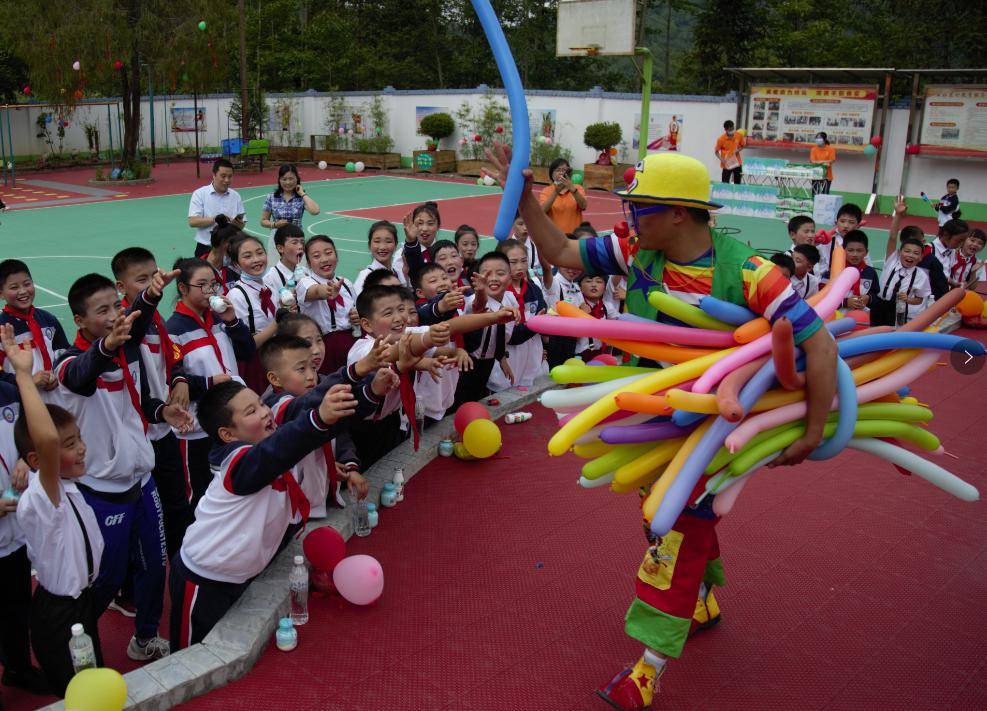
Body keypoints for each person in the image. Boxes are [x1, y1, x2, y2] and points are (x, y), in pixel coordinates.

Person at [485, 145, 837, 710]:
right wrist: (525, 197)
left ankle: (648, 666)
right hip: (652, 415)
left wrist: (815, 431)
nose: (628, 219)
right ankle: (702, 600)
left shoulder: (751, 273)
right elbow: (560, 248)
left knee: (672, 528)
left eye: (640, 208)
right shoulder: (635, 252)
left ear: (678, 212)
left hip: (713, 426)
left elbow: (816, 343)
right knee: (675, 511)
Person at [168, 376, 384, 649]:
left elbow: (319, 431)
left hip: (241, 573)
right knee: (191, 654)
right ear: (227, 434)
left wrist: (372, 392)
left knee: (230, 646)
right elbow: (277, 451)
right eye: (251, 412)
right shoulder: (236, 463)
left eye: (261, 404)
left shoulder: (269, 441)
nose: (265, 412)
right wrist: (317, 418)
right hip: (203, 577)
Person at [55, 270, 187, 663]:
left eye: (116, 305)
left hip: (141, 482)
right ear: (78, 321)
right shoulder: (68, 364)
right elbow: (83, 373)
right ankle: (71, 643)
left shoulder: (131, 352)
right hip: (102, 492)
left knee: (154, 568)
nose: (114, 316)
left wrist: (163, 410)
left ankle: (145, 638)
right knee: (107, 578)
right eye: (102, 311)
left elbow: (139, 403)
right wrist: (106, 346)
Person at [11, 326, 103, 697]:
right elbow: (46, 440)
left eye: (78, 439)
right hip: (61, 614)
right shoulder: (42, 495)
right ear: (37, 460)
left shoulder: (65, 486)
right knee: (76, 690)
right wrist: (23, 375)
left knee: (91, 680)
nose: (80, 449)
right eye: (69, 445)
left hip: (82, 604)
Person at [111, 248, 194, 561]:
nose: (149, 284)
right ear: (121, 286)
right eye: (140, 280)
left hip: (163, 428)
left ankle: (181, 562)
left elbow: (171, 349)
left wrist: (180, 379)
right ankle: (132, 580)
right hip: (139, 430)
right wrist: (151, 296)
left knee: (176, 501)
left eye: (152, 277)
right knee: (142, 509)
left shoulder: (157, 319)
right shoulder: (121, 322)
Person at [166, 258, 256, 507]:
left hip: (228, 422)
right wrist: (209, 382)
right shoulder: (172, 330)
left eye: (214, 285)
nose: (210, 291)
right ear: (183, 289)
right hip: (195, 430)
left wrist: (232, 320)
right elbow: (172, 380)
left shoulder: (218, 320)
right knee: (201, 496)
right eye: (202, 285)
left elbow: (247, 353)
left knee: (230, 489)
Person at [260, 334, 381, 518]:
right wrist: (355, 370)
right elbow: (303, 410)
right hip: (295, 511)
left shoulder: (315, 397)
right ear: (275, 379)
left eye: (313, 368)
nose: (311, 376)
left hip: (323, 497)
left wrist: (374, 390)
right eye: (301, 369)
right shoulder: (276, 407)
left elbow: (342, 426)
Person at [0, 330, 50, 697]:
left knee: (17, 605)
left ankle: (17, 667)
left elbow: (34, 427)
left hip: (13, 530)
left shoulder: (8, 388)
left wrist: (23, 455)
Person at [0, 259, 70, 397]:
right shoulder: (3, 329)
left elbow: (64, 353)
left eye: (27, 284)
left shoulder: (48, 319)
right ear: (1, 293)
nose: (23, 291)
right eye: (14, 287)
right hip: (20, 401)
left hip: (56, 396)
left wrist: (57, 374)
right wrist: (27, 381)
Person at [226, 236, 284, 393]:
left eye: (260, 253)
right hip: (256, 364)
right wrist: (277, 324)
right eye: (247, 256)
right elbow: (246, 345)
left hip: (277, 356)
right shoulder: (236, 295)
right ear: (236, 264)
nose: (256, 260)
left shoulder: (269, 285)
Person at [489, 239, 547, 390]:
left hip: (532, 353)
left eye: (523, 261)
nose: (520, 266)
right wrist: (535, 324)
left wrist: (539, 324)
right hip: (509, 355)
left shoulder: (534, 290)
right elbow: (512, 336)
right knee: (505, 393)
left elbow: (544, 317)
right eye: (513, 262)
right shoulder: (497, 293)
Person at [296, 235, 358, 374]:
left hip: (350, 343)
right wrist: (328, 291)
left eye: (329, 253)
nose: (324, 259)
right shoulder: (305, 283)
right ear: (309, 262)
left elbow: (356, 310)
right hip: (323, 347)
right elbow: (316, 291)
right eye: (316, 256)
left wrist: (357, 318)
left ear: (336, 255)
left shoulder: (346, 283)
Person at [259, 163, 320, 261]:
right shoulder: (272, 197)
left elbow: (315, 211)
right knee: (276, 270)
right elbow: (263, 221)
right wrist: (275, 224)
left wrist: (302, 193)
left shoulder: (300, 197)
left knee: (299, 270)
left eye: (291, 179)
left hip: (297, 239)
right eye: (284, 179)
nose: (287, 182)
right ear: (279, 180)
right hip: (277, 240)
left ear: (297, 179)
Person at [187, 158, 245, 258]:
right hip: (206, 247)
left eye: (230, 177)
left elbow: (241, 226)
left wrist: (238, 224)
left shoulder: (236, 196)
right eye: (223, 176)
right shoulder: (200, 194)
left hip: (230, 248)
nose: (227, 180)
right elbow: (193, 221)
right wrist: (215, 219)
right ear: (214, 175)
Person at [872, 233, 931, 328]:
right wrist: (898, 217)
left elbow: (919, 300)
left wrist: (908, 299)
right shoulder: (891, 262)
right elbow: (892, 237)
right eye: (907, 251)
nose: (911, 255)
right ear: (899, 252)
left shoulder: (921, 276)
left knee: (892, 334)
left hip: (898, 310)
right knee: (873, 331)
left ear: (921, 257)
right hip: (879, 305)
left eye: (916, 253)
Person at [353, 220, 406, 294]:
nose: (382, 247)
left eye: (388, 241)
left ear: (396, 244)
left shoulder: (397, 272)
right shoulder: (365, 276)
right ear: (369, 245)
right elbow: (360, 304)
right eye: (377, 241)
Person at [832, 231, 879, 312]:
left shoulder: (870, 272)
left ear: (866, 252)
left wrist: (869, 298)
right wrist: (845, 302)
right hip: (835, 319)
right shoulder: (833, 271)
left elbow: (876, 295)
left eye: (859, 250)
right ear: (843, 250)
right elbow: (824, 297)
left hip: (861, 319)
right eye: (850, 250)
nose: (855, 254)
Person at [395, 202, 442, 279]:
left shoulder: (444, 251)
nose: (424, 229)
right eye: (420, 223)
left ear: (438, 226)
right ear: (412, 225)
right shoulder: (402, 254)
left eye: (430, 224)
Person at [539, 158, 587, 234]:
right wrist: (556, 192)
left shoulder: (578, 188)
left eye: (564, 170)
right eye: (558, 170)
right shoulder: (546, 191)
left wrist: (573, 189)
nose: (561, 173)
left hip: (574, 236)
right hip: (553, 236)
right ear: (552, 174)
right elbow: (542, 211)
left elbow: (583, 205)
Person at [576, 274, 617, 360]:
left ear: (605, 288)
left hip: (600, 355)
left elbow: (621, 323)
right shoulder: (575, 305)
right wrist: (580, 316)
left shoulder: (607, 307)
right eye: (588, 281)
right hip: (579, 357)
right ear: (580, 287)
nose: (594, 285)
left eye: (599, 281)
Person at [816, 203, 862, 278]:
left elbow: (866, 265)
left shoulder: (860, 243)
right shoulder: (827, 241)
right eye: (842, 221)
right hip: (826, 281)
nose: (846, 225)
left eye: (851, 222)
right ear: (836, 223)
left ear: (858, 226)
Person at [263, 224, 306, 295]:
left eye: (302, 242)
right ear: (280, 248)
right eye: (294, 243)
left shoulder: (306, 272)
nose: (300, 246)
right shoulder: (270, 279)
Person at [713, 120, 745, 184]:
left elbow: (743, 145)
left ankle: (736, 193)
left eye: (733, 128)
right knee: (725, 183)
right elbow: (716, 152)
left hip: (737, 163)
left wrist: (738, 150)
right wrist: (722, 160)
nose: (732, 131)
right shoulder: (721, 139)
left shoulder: (738, 135)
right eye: (730, 130)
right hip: (727, 164)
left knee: (737, 183)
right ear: (726, 129)